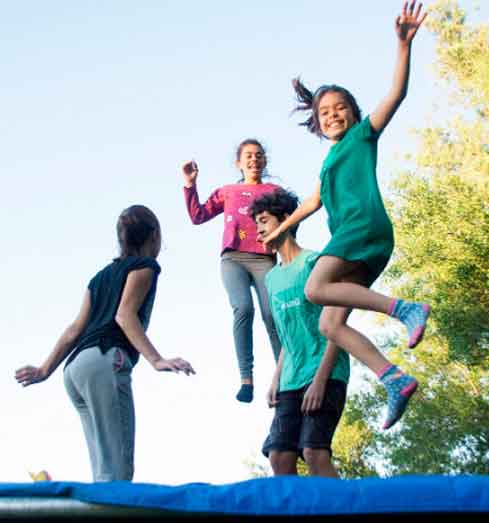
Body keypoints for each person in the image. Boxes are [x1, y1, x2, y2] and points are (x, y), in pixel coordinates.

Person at [260, 2, 430, 430]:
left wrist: (403, 46)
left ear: (353, 113)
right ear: (316, 124)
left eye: (339, 108)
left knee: (316, 288)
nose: (332, 115)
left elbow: (396, 95)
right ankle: (394, 378)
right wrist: (280, 227)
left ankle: (405, 309)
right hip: (360, 243)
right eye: (324, 112)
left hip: (361, 229)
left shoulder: (361, 137)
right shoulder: (330, 162)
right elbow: (312, 204)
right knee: (330, 324)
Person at [14, 205, 195, 481]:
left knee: (104, 470)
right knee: (118, 472)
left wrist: (44, 370)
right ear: (155, 236)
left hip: (75, 370)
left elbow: (75, 329)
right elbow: (125, 315)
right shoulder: (145, 267)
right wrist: (157, 359)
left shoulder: (99, 278)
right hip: (105, 360)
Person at [252, 189, 350, 477]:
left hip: (325, 373)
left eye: (264, 220)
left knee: (313, 452)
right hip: (290, 380)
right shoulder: (271, 278)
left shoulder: (315, 263)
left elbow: (337, 324)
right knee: (279, 456)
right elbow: (287, 334)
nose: (258, 229)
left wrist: (320, 380)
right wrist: (276, 379)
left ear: (285, 220)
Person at [181, 139, 282, 403]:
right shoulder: (228, 191)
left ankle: (285, 376)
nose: (254, 160)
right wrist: (190, 185)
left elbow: (289, 222)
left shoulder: (274, 191)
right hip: (233, 258)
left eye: (259, 155)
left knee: (272, 314)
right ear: (238, 162)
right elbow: (198, 215)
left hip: (264, 258)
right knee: (243, 308)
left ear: (265, 161)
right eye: (248, 155)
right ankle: (246, 379)